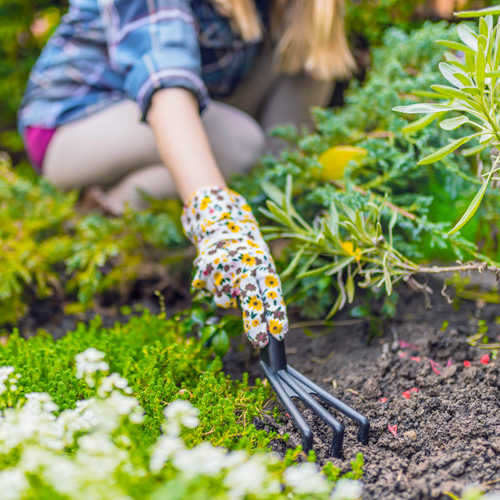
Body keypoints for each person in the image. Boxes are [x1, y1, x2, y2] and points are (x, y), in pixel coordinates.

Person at [18, 0, 354, 348]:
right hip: (72, 123)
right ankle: (109, 215)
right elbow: (166, 84)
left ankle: (273, 247)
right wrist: (216, 215)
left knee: (312, 50)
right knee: (238, 143)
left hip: (191, 108)